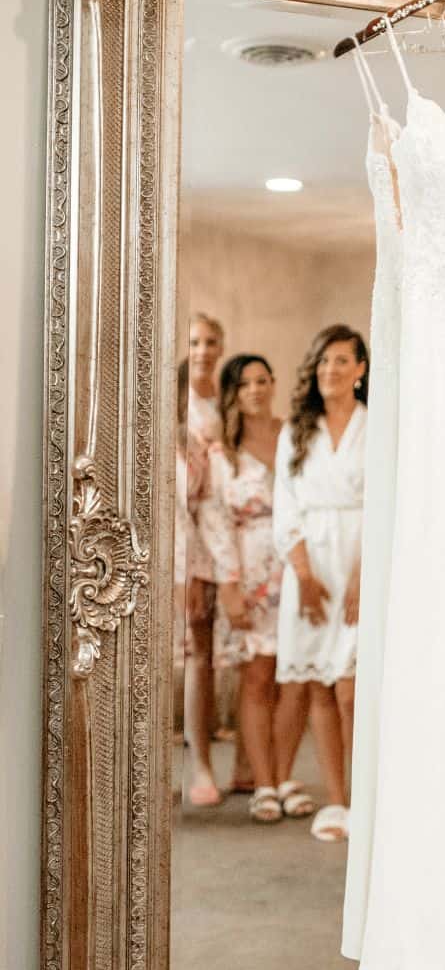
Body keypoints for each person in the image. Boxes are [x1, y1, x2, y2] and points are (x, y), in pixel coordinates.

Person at [200, 355, 315, 823]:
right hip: (248, 571)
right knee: (258, 676)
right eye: (244, 383)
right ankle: (263, 784)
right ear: (233, 392)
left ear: (273, 384)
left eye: (262, 380)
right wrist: (228, 586)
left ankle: (286, 776)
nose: (255, 389)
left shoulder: (296, 436)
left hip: (299, 564)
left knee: (298, 674)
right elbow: (215, 521)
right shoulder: (222, 451)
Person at [272, 325, 368, 843]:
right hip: (308, 564)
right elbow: (284, 504)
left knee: (352, 690)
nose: (330, 369)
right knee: (319, 689)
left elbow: (383, 502)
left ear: (360, 369)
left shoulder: (376, 426)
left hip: (359, 561)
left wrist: (362, 577)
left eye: (341, 360)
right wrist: (303, 574)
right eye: (323, 360)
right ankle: (336, 800)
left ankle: (365, 800)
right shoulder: (297, 431)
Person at [180, 313, 225, 805]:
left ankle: (238, 763)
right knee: (194, 651)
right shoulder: (177, 404)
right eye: (195, 341)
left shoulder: (226, 399)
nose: (204, 349)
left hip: (227, 537)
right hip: (190, 541)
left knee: (213, 655)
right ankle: (199, 765)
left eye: (211, 341)